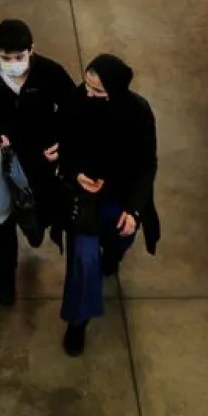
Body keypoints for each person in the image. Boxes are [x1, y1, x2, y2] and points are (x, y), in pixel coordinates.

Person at [55, 54, 158, 355]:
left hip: (121, 196)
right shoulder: (76, 102)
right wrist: (76, 174)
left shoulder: (138, 113)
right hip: (84, 198)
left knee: (122, 236)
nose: (89, 94)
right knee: (85, 261)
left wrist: (134, 210)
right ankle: (78, 322)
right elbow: (64, 146)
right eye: (87, 86)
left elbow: (146, 166)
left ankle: (113, 252)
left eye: (98, 91)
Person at [0, 19, 74, 306]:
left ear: (31, 50)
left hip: (41, 159)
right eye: (6, 58)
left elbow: (72, 109)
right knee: (1, 216)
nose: (13, 64)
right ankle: (6, 271)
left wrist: (61, 140)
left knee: (41, 206)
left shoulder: (50, 73)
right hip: (3, 161)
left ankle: (35, 225)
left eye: (19, 57)